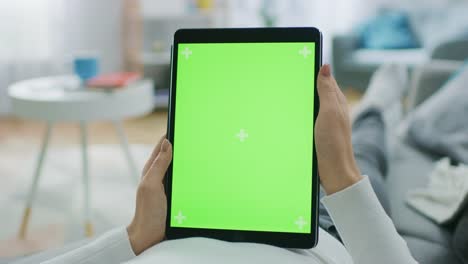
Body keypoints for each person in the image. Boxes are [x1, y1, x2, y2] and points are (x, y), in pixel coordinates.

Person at [42, 64, 418, 264]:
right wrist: (342, 176)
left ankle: (376, 101)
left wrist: (136, 235)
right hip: (335, 231)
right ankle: (380, 99)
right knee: (366, 147)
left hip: (201, 217)